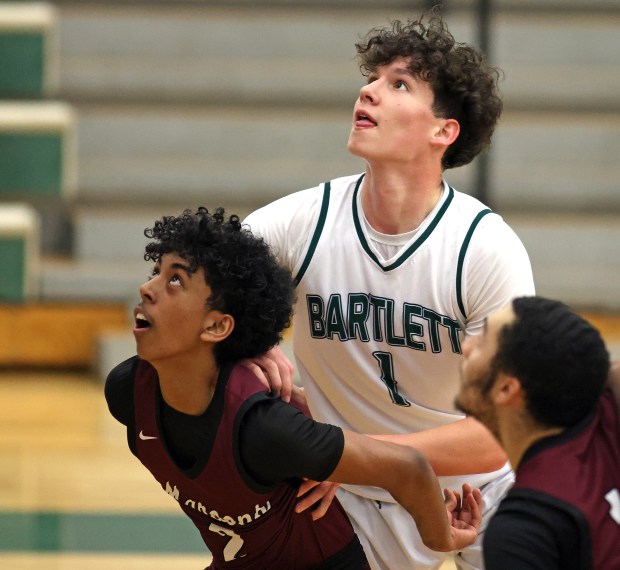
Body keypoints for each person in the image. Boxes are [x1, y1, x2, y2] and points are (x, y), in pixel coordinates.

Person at [242, 12, 534, 570]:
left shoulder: (484, 248)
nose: (368, 90)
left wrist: (356, 455)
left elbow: (502, 432)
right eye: (371, 78)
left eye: (397, 84)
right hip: (358, 494)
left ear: (442, 131)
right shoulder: (308, 219)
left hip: (487, 492)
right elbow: (194, 273)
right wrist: (249, 342)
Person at [105, 207, 483, 570]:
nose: (147, 287)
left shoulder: (263, 428)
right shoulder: (127, 392)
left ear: (217, 327)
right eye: (156, 271)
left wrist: (442, 538)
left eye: (175, 280)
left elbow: (408, 467)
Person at [455, 296, 620, 570]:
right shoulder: (610, 415)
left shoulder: (522, 530)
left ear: (506, 389)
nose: (466, 347)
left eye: (482, 341)